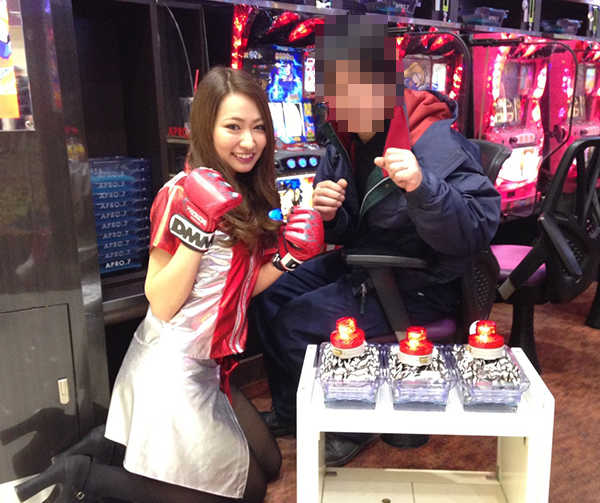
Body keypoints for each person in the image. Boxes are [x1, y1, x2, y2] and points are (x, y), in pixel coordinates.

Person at [14, 67, 324, 503]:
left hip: (209, 364)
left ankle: (107, 445)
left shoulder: (247, 190)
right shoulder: (180, 193)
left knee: (270, 464)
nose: (249, 141)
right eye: (233, 127)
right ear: (206, 128)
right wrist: (196, 235)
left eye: (258, 127)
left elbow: (239, 290)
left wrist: (288, 258)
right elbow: (160, 301)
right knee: (249, 493)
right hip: (172, 364)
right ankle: (83, 476)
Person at [253, 15, 502, 467]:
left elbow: (478, 226)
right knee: (268, 298)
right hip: (363, 263)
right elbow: (349, 228)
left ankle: (353, 425)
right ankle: (292, 411)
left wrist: (424, 187)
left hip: (420, 281)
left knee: (294, 323)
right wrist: (331, 215)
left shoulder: (432, 139)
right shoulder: (341, 139)